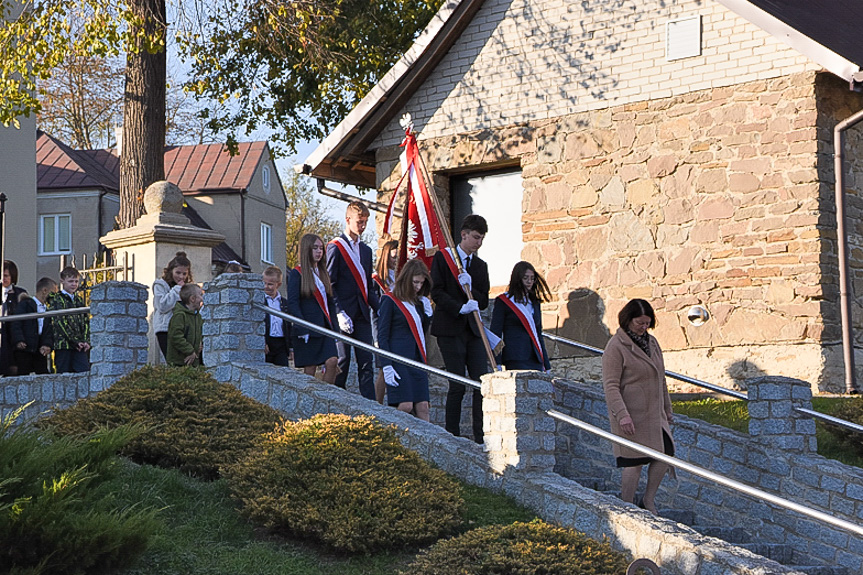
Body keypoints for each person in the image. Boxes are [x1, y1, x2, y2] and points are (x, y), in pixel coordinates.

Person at [602, 298, 674, 515]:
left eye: (647, 323)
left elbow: (660, 378)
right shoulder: (616, 347)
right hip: (631, 415)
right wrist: (622, 415)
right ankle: (627, 505)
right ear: (628, 320)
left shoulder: (652, 343)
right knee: (634, 461)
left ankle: (647, 500)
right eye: (639, 323)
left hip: (654, 414)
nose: (644, 328)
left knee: (665, 455)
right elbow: (611, 386)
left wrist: (667, 409)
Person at [430, 214, 490, 443]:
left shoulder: (480, 265)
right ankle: (451, 435)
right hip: (450, 327)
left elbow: (484, 299)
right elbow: (436, 292)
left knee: (479, 383)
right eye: (475, 237)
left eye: (482, 239)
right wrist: (460, 307)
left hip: (472, 331)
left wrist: (472, 291)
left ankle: (480, 436)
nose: (479, 243)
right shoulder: (444, 259)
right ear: (463, 235)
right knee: (457, 384)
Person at [326, 201, 379, 399]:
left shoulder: (366, 250)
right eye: (360, 221)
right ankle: (338, 402)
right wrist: (339, 311)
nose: (363, 226)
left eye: (365, 222)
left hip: (362, 312)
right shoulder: (336, 247)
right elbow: (329, 283)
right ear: (348, 220)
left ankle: (371, 406)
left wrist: (380, 308)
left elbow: (367, 285)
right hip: (344, 313)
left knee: (367, 361)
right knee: (343, 360)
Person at [377, 258, 433, 421]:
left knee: (423, 407)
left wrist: (428, 315)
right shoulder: (390, 300)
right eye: (415, 282)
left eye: (421, 283)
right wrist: (386, 365)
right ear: (407, 279)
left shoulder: (419, 303)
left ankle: (426, 445)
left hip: (417, 359)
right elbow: (382, 335)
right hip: (398, 359)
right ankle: (394, 441)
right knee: (406, 405)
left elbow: (421, 333)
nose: (418, 287)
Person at [288, 234, 339, 384]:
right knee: (310, 369)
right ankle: (310, 399)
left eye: (321, 248)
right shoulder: (297, 274)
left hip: (324, 327)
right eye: (315, 248)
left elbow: (330, 303)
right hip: (308, 328)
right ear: (306, 250)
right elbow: (293, 303)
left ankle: (326, 394)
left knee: (332, 361)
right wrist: (302, 327)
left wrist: (335, 328)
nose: (319, 252)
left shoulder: (323, 273)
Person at [490, 261, 552, 371]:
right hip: (516, 357)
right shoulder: (504, 301)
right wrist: (497, 362)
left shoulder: (534, 303)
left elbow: (538, 334)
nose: (529, 281)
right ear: (518, 278)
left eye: (532, 278)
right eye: (526, 278)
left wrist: (547, 365)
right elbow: (496, 334)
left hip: (535, 358)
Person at [10, 277, 56, 375]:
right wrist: (19, 340)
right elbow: (16, 323)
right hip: (25, 347)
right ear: (44, 291)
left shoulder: (48, 310)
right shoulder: (26, 304)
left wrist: (47, 344)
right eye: (53, 292)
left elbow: (48, 330)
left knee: (43, 375)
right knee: (23, 375)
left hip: (39, 348)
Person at [48, 266, 90, 373]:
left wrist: (85, 340)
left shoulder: (78, 300)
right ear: (62, 281)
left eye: (76, 281)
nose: (74, 284)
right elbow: (60, 322)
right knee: (64, 375)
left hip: (79, 346)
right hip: (64, 345)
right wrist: (75, 341)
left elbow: (85, 321)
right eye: (70, 281)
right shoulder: (57, 299)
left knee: (84, 372)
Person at [372, 239, 399, 404]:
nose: (395, 260)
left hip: (397, 328)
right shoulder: (376, 279)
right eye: (393, 257)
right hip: (381, 327)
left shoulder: (401, 277)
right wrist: (375, 337)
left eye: (397, 257)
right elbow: (374, 310)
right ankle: (378, 404)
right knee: (384, 368)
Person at [152, 252, 192, 361]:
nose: (181, 277)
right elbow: (162, 306)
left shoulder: (187, 287)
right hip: (165, 329)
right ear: (171, 271)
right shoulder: (160, 285)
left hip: (182, 329)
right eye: (178, 272)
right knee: (170, 361)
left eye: (184, 274)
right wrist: (177, 290)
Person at [166, 283, 204, 367]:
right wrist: (190, 351)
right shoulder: (180, 315)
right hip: (179, 362)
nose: (202, 298)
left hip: (193, 361)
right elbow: (176, 336)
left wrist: (200, 344)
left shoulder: (198, 317)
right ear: (192, 299)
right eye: (201, 295)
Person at [1, 260, 27, 376]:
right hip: (1, 335)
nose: (3, 279)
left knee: (13, 368)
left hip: (13, 336)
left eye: (6, 276)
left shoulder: (19, 293)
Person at [262, 266, 291, 366]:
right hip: (267, 341)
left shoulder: (284, 303)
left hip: (281, 343)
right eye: (264, 283)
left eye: (270, 284)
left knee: (283, 370)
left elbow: (288, 325)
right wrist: (263, 341)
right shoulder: (260, 301)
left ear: (278, 285)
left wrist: (291, 347)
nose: (266, 286)